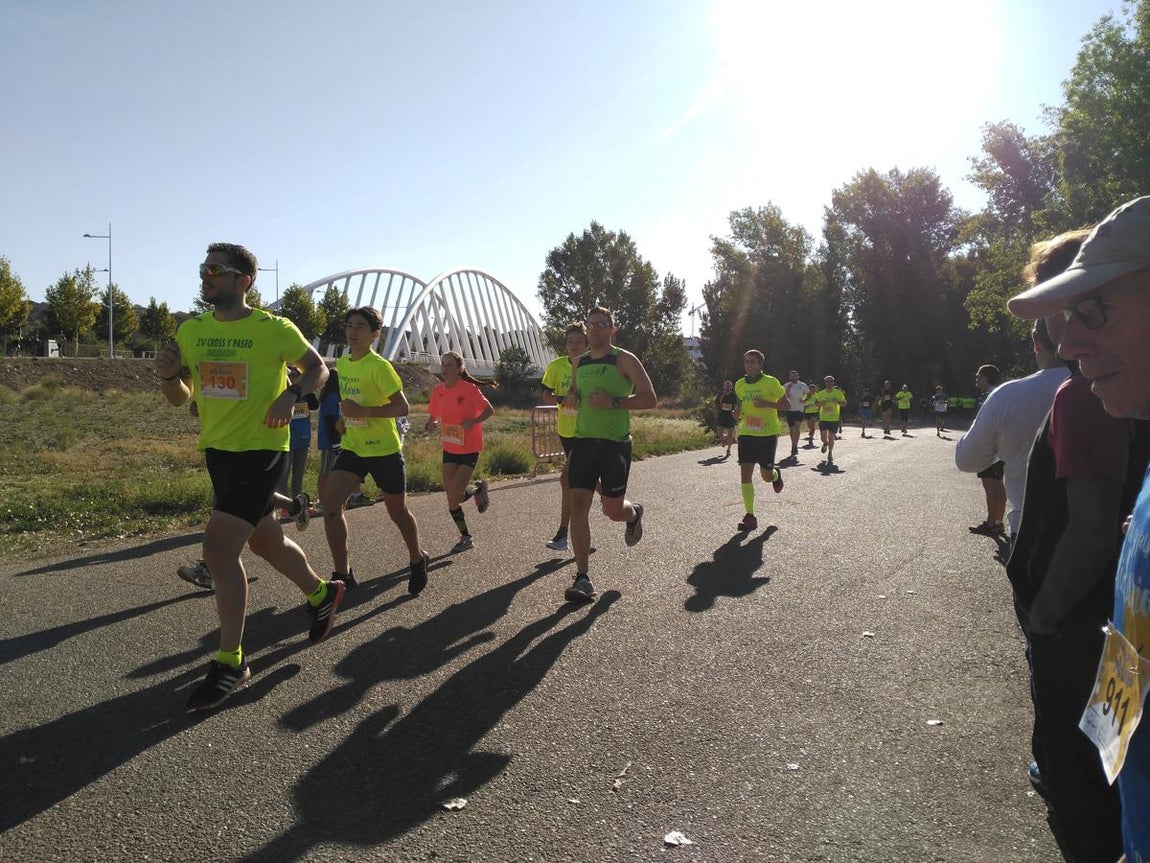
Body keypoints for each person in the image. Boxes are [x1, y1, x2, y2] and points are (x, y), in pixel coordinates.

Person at [1006, 196, 1150, 862]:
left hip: (1069, 631)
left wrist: (1044, 613)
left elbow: (1090, 531)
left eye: (1092, 312)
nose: (1066, 344)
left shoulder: (1082, 399)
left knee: (1076, 787)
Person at [154, 242, 344, 712]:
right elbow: (182, 399)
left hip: (263, 450)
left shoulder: (273, 328)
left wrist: (291, 395)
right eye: (203, 269)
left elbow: (318, 368)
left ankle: (230, 659)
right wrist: (167, 377)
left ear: (244, 280)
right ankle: (322, 593)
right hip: (218, 450)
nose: (206, 276)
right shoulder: (192, 330)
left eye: (215, 270)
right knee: (264, 541)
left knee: (219, 548)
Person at [320, 306, 429, 594]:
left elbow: (402, 407)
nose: (352, 332)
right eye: (349, 325)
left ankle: (417, 559)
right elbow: (350, 402)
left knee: (398, 513)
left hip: (384, 450)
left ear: (375, 335)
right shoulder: (343, 364)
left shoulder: (380, 366)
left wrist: (363, 411)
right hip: (353, 447)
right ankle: (343, 574)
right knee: (331, 508)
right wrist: (345, 421)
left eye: (360, 327)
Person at [561, 306, 657, 602]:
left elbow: (650, 399)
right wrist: (571, 399)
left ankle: (633, 513)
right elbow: (574, 393)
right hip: (583, 441)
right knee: (578, 505)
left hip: (615, 444)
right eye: (591, 324)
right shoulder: (579, 362)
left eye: (603, 324)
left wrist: (613, 402)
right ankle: (583, 578)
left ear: (612, 329)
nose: (596, 329)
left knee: (612, 511)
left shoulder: (624, 359)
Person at [426, 350, 494, 553]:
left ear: (459, 369)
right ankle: (466, 536)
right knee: (451, 497)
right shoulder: (438, 391)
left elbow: (489, 410)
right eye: (443, 364)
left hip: (470, 447)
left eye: (449, 365)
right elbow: (434, 415)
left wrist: (472, 422)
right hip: (450, 447)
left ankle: (477, 490)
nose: (444, 369)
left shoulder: (470, 389)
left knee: (455, 494)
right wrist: (431, 423)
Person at [540, 322, 589, 550]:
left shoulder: (593, 365)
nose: (574, 345)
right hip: (566, 431)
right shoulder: (556, 366)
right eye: (570, 341)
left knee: (566, 480)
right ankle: (623, 507)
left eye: (579, 340)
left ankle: (563, 534)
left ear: (587, 343)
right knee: (582, 483)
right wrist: (562, 400)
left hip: (588, 432)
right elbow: (545, 393)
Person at [732, 349, 788, 531]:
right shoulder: (740, 384)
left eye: (752, 362)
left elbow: (786, 404)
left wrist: (767, 404)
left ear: (760, 364)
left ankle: (775, 475)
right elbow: (740, 405)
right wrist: (735, 414)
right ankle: (750, 516)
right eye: (746, 361)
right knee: (745, 475)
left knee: (765, 476)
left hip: (767, 433)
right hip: (747, 433)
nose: (749, 365)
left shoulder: (771, 382)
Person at [277, 366, 317, 519]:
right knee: (284, 475)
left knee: (298, 474)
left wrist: (305, 391)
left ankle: (298, 503)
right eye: (292, 374)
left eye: (297, 375)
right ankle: (284, 507)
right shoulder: (282, 393)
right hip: (286, 439)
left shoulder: (305, 394)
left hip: (303, 438)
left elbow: (315, 405)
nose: (294, 377)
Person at [813, 375, 847, 467]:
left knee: (831, 436)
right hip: (823, 418)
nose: (829, 383)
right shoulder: (821, 393)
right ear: (824, 382)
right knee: (823, 436)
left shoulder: (838, 393)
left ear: (833, 382)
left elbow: (844, 404)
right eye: (827, 381)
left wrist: (838, 402)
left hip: (834, 418)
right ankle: (825, 443)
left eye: (831, 381)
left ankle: (830, 453)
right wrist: (820, 404)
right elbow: (816, 404)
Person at [782, 370, 810, 460]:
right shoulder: (786, 385)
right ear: (790, 377)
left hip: (799, 409)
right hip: (790, 409)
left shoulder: (802, 385)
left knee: (797, 428)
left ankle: (795, 445)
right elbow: (781, 396)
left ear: (798, 376)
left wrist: (804, 400)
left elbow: (809, 394)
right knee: (791, 429)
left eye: (795, 376)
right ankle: (793, 444)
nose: (793, 377)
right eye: (792, 376)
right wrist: (787, 392)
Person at [715, 379, 739, 459]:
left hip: (730, 417)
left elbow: (738, 405)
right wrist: (716, 413)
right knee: (719, 432)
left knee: (730, 435)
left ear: (731, 387)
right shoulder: (720, 395)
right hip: (722, 416)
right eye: (726, 385)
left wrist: (736, 414)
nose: (727, 387)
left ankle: (728, 450)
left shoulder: (734, 396)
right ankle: (723, 439)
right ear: (724, 386)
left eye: (729, 385)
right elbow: (716, 404)